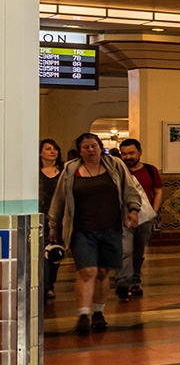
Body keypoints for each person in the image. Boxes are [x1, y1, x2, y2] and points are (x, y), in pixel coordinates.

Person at [47, 132, 142, 335]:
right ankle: (83, 315)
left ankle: (98, 312)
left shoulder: (115, 165)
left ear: (100, 147)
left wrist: (133, 210)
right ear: (79, 150)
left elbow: (130, 189)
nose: (90, 150)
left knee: (101, 272)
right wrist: (53, 226)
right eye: (85, 147)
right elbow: (59, 199)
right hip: (81, 230)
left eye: (94, 146)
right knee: (87, 271)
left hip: (111, 228)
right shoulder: (71, 170)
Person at [115, 139, 163, 301]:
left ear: (140, 152)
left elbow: (157, 191)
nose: (127, 157)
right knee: (125, 249)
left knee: (139, 250)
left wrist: (153, 212)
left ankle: (135, 280)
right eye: (124, 153)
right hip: (123, 218)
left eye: (131, 153)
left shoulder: (150, 170)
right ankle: (124, 281)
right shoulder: (117, 171)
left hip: (144, 218)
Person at [39, 139, 63, 302]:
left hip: (59, 219)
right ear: (40, 153)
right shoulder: (35, 172)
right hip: (41, 218)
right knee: (42, 254)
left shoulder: (63, 172)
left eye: (55, 149)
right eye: (48, 149)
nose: (52, 152)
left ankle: (50, 283)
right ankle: (45, 286)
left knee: (55, 254)